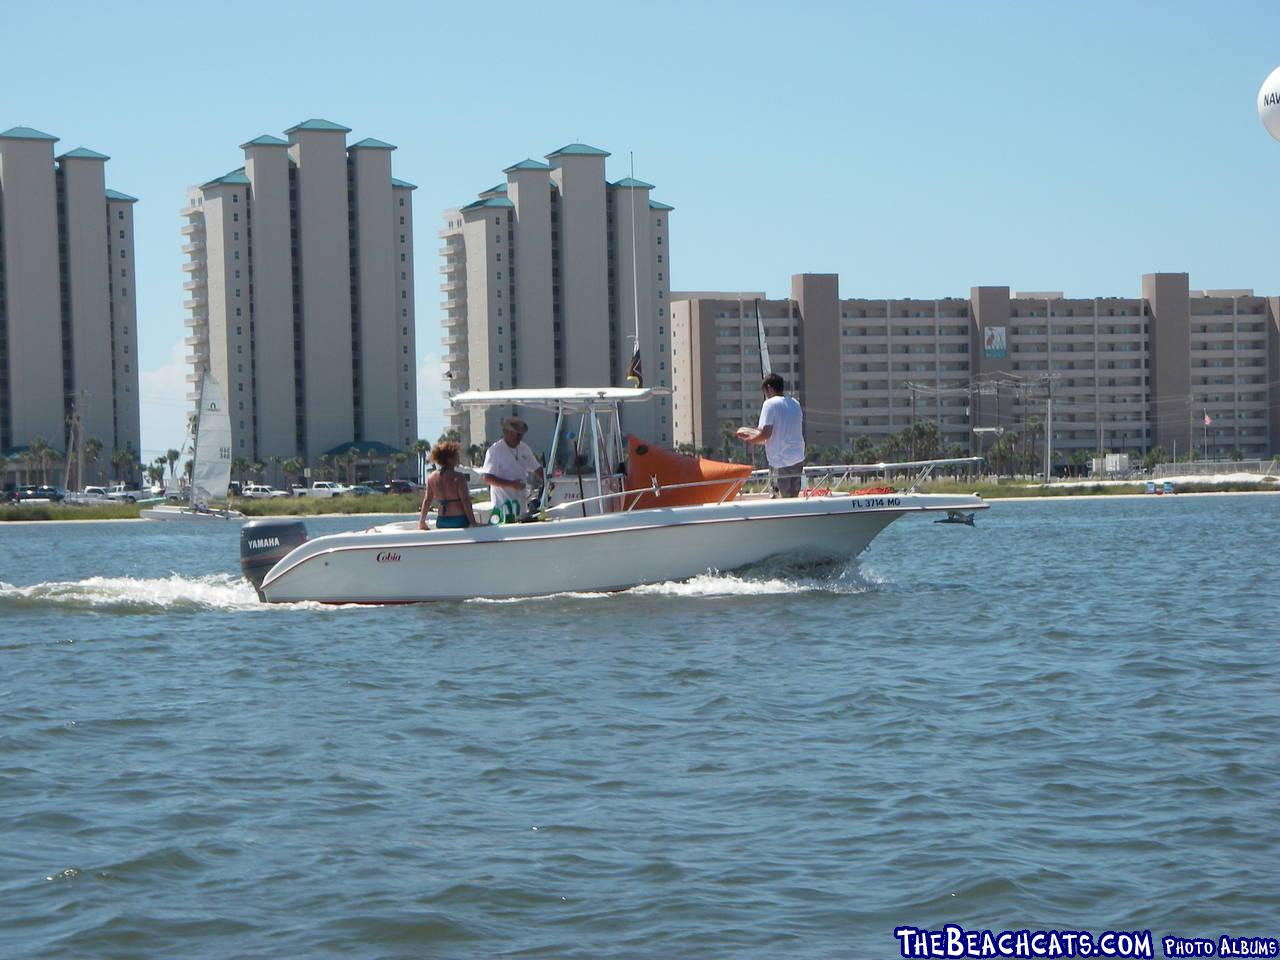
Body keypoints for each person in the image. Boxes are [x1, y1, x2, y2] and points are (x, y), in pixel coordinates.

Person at [736, 372, 806, 497]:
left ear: (769, 388)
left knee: (780, 498)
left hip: (780, 460)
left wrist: (750, 440)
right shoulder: (795, 403)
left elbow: (765, 434)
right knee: (793, 498)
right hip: (797, 458)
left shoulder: (770, 404)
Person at [479, 416, 544, 518]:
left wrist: (549, 481)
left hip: (521, 505)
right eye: (517, 434)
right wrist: (511, 484)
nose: (520, 437)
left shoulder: (524, 448)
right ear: (507, 432)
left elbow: (537, 468)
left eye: (521, 434)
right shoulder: (495, 450)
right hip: (503, 506)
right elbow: (487, 478)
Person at [418, 441, 477, 530]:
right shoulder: (459, 477)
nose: (458, 458)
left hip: (441, 520)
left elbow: (427, 500)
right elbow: (465, 501)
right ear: (449, 458)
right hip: (459, 519)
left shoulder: (431, 477)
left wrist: (422, 522)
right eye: (456, 456)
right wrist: (473, 523)